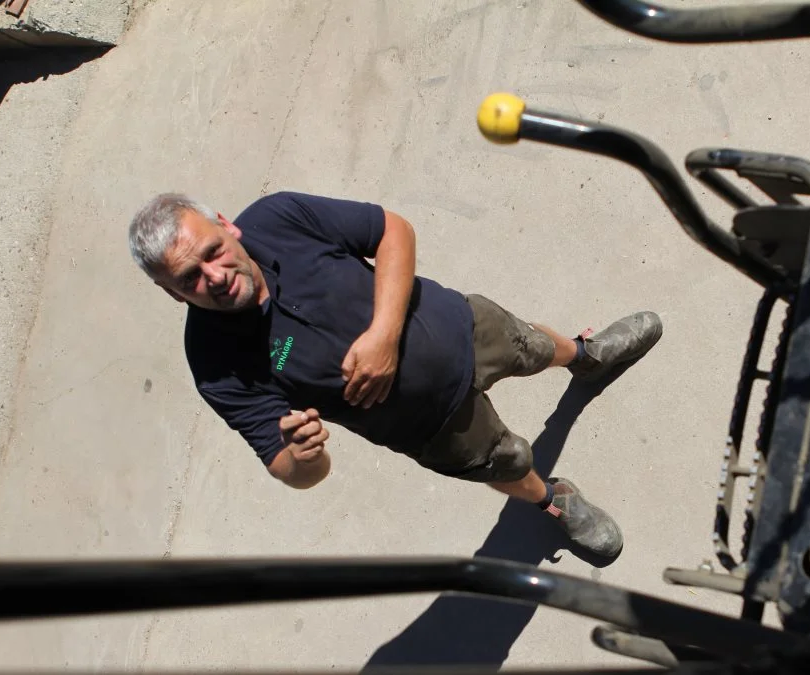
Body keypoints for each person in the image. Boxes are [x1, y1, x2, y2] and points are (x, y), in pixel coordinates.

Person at [127, 191, 662, 558]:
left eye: (213, 253)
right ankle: (554, 500)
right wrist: (305, 456)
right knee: (509, 459)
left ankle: (586, 357)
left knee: (535, 345)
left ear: (226, 226)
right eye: (190, 279)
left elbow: (392, 231)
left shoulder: (279, 217)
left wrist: (383, 336)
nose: (214, 277)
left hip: (459, 326)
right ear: (172, 293)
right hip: (426, 426)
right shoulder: (215, 365)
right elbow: (291, 470)